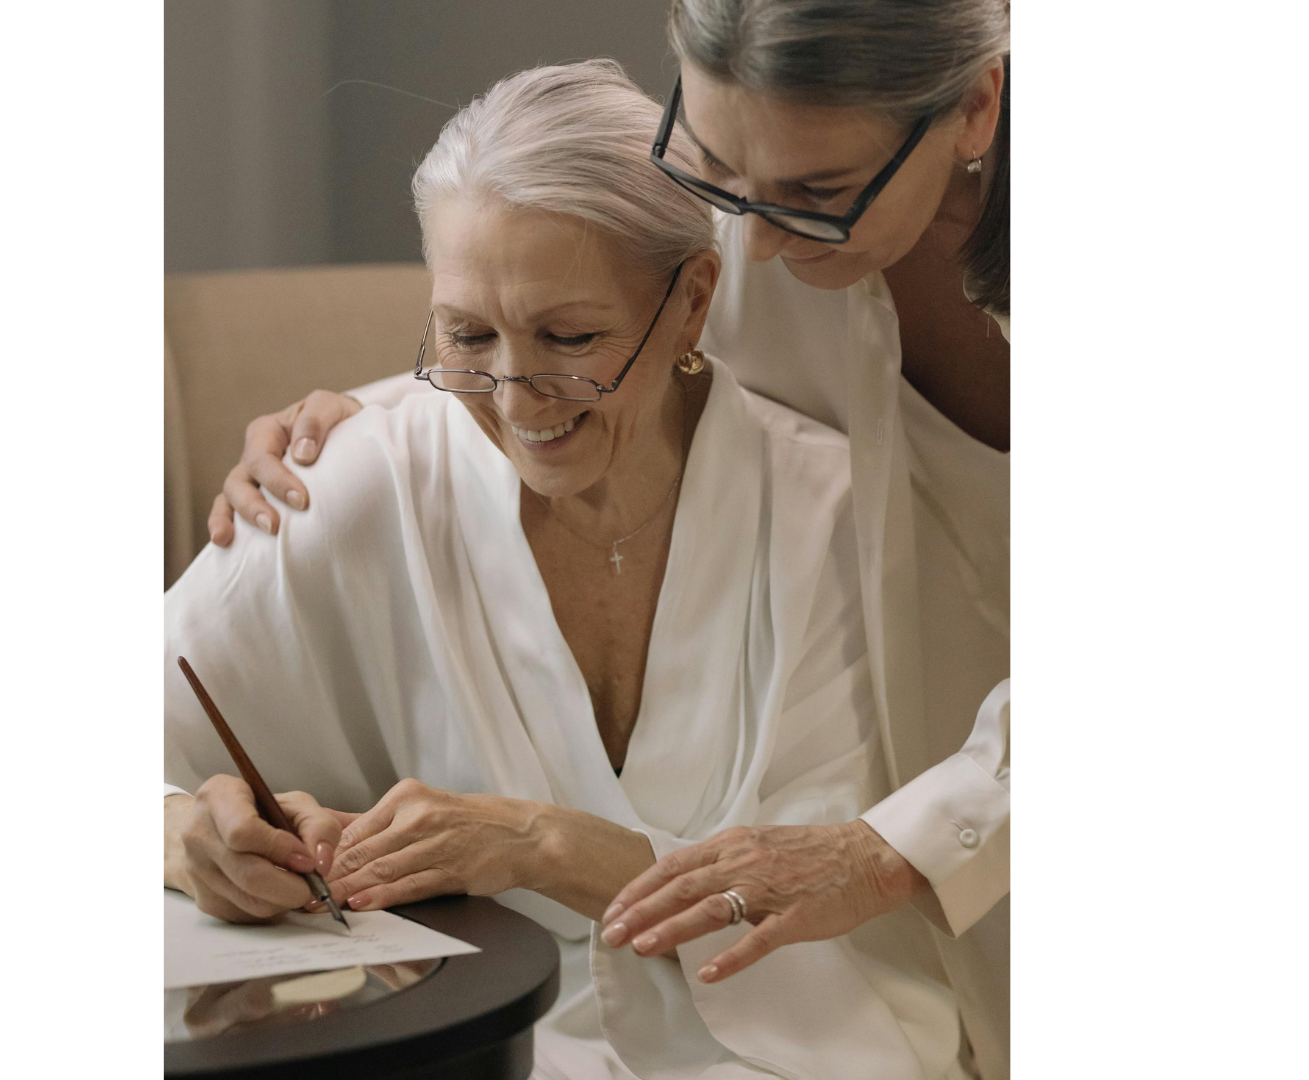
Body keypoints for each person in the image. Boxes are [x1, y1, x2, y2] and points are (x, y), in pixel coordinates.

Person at [198, 4, 1013, 1075]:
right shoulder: (729, 234)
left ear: (976, 109)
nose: (752, 242)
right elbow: (593, 299)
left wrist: (891, 845)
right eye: (717, 168)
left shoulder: (816, 510)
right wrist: (378, 421)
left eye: (814, 197)